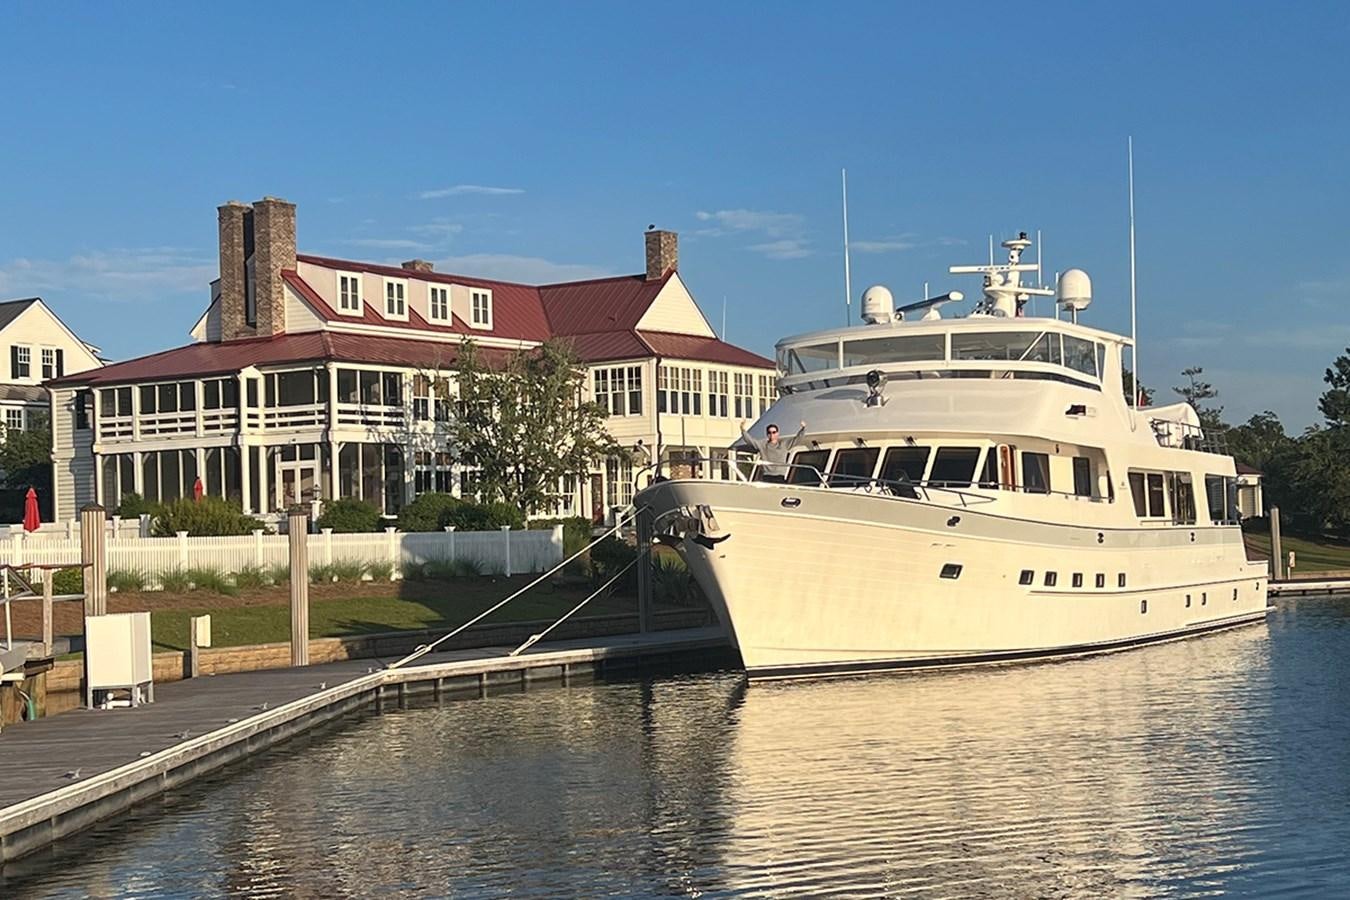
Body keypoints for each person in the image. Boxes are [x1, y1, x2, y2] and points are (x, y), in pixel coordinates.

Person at [739, 420, 807, 483]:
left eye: (774, 432)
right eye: (769, 432)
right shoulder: (763, 445)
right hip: (767, 476)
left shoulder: (784, 444)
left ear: (777, 433)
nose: (772, 434)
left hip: (780, 477)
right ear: (767, 434)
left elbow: (797, 440)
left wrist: (803, 429)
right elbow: (750, 441)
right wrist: (743, 430)